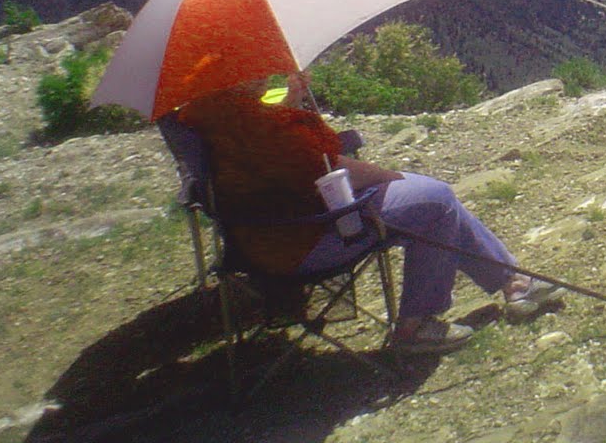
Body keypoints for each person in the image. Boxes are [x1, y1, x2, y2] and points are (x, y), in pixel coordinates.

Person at [175, 70, 562, 354]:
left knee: (431, 199)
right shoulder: (266, 127)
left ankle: (513, 284)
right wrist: (387, 174)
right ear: (238, 76)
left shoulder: (209, 116)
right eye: (255, 65)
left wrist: (289, 108)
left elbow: (274, 167)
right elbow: (322, 167)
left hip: (258, 239)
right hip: (311, 237)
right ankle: (415, 327)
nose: (264, 71)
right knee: (437, 201)